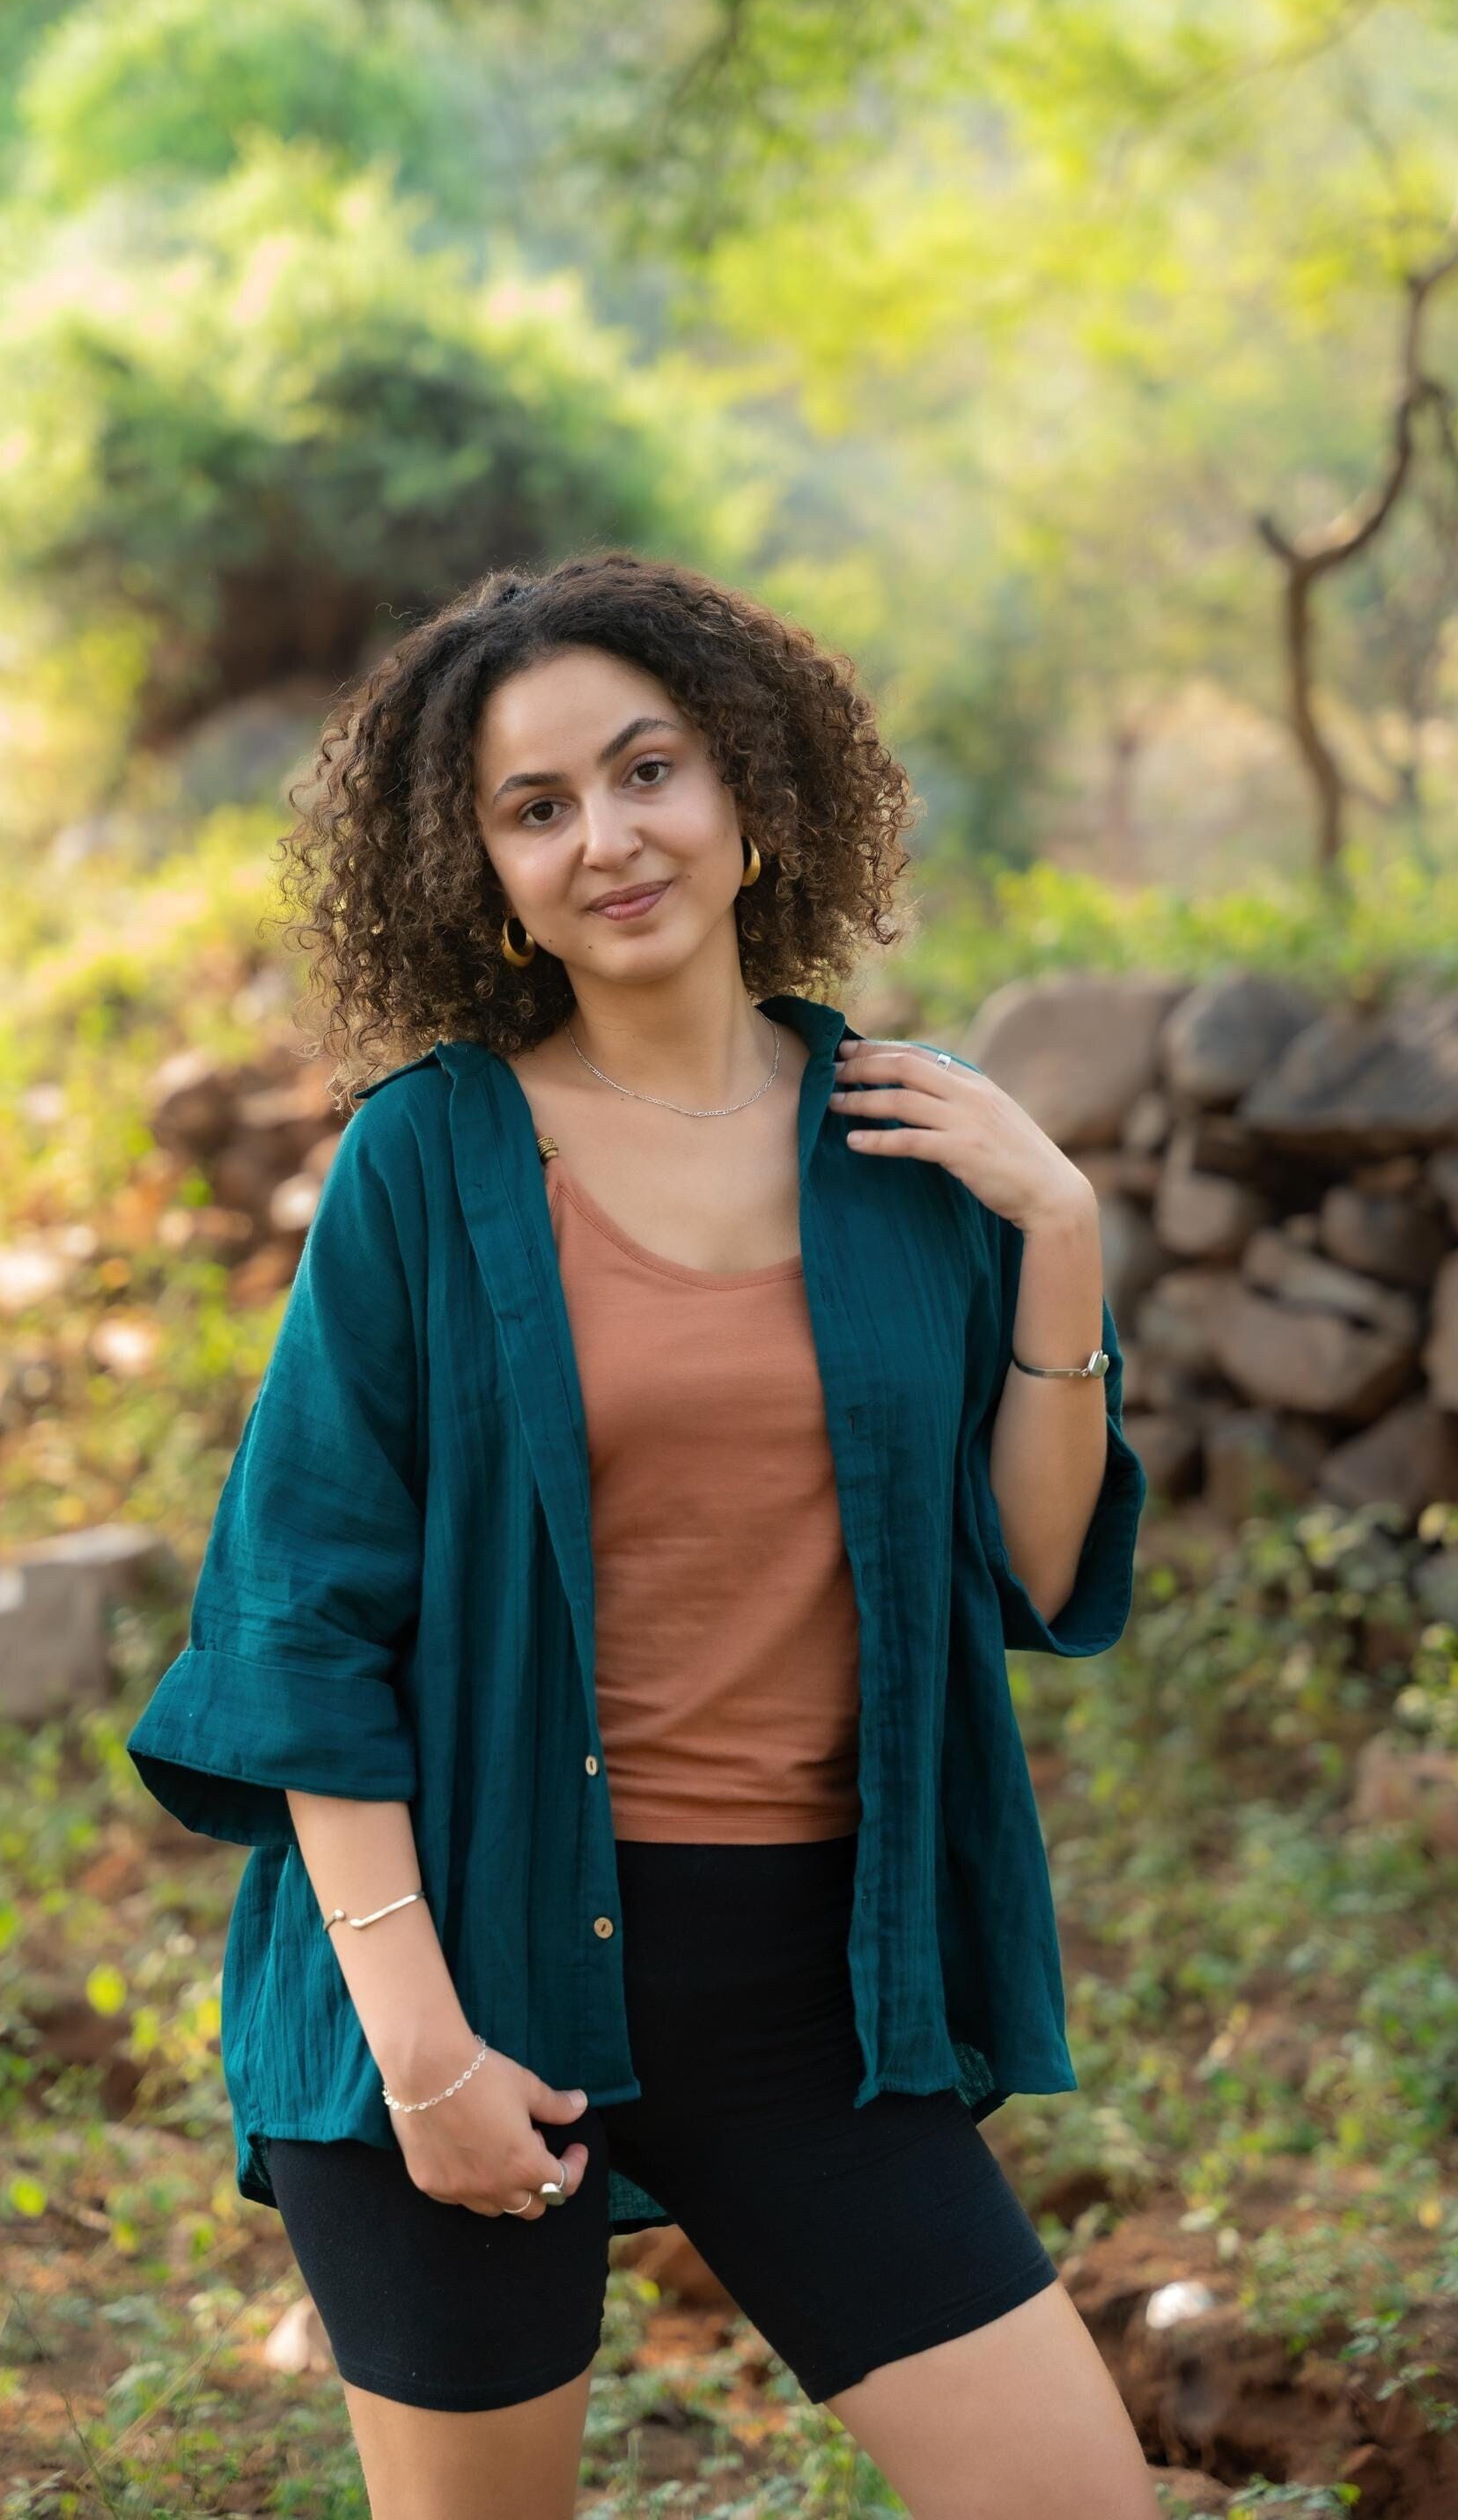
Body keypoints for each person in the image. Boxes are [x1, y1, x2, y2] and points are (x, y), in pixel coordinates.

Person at [124, 550, 1156, 2520]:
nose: (607, 837)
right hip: (472, 1960)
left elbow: (1027, 1569)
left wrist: (1063, 1238)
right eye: (537, 807)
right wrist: (419, 2052)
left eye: (646, 769)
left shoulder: (908, 1150)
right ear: (483, 870)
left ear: (750, 794)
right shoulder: (427, 1157)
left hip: (815, 1996)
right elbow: (303, 1627)